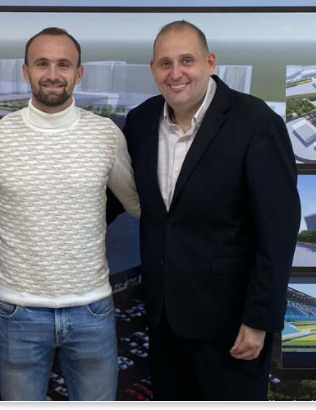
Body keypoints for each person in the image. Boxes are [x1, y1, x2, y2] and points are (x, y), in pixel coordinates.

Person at [0, 27, 140, 401]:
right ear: (26, 71)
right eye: (42, 64)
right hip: (18, 313)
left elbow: (138, 205)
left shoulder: (106, 135)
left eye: (63, 64)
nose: (53, 74)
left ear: (78, 73)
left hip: (92, 310)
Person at [119, 20, 300, 400]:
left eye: (187, 60)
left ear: (210, 62)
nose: (176, 73)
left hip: (231, 326)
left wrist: (259, 320)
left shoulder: (256, 122)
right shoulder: (140, 122)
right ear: (153, 69)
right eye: (165, 63)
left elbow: (278, 231)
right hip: (165, 322)